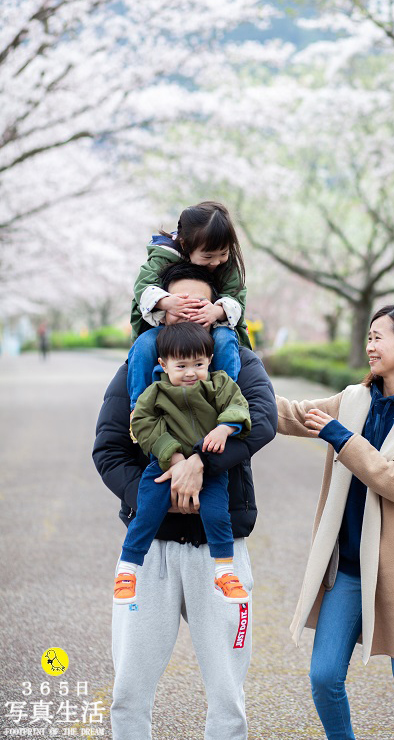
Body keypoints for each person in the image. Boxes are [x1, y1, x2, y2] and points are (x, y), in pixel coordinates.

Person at [93, 262, 277, 740]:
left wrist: (200, 464)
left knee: (227, 695)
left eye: (202, 307)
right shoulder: (139, 366)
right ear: (163, 314)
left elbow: (263, 422)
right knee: (128, 690)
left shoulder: (240, 364)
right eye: (180, 307)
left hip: (221, 551)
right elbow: (109, 448)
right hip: (152, 549)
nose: (191, 318)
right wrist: (160, 494)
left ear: (218, 313)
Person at [276, 305, 394, 740]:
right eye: (369, 337)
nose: (369, 346)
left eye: (378, 337)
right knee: (323, 677)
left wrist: (343, 438)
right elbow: (294, 414)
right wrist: (231, 391)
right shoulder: (355, 399)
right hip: (349, 568)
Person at [115, 322, 252, 606]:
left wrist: (225, 428)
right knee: (147, 510)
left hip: (210, 468)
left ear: (210, 361)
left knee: (217, 514)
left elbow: (238, 405)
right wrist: (171, 454)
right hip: (163, 466)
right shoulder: (155, 392)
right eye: (181, 366)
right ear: (164, 365)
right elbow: (141, 423)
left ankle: (224, 572)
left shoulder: (219, 384)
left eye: (198, 364)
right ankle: (127, 569)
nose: (191, 373)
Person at [128, 201, 249, 416]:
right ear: (185, 245)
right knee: (145, 344)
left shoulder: (227, 266)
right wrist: (166, 302)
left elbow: (237, 301)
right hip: (170, 328)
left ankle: (229, 400)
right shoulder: (163, 256)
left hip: (211, 326)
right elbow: (143, 287)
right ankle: (138, 409)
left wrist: (217, 311)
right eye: (208, 256)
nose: (216, 262)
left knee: (224, 339)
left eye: (223, 253)